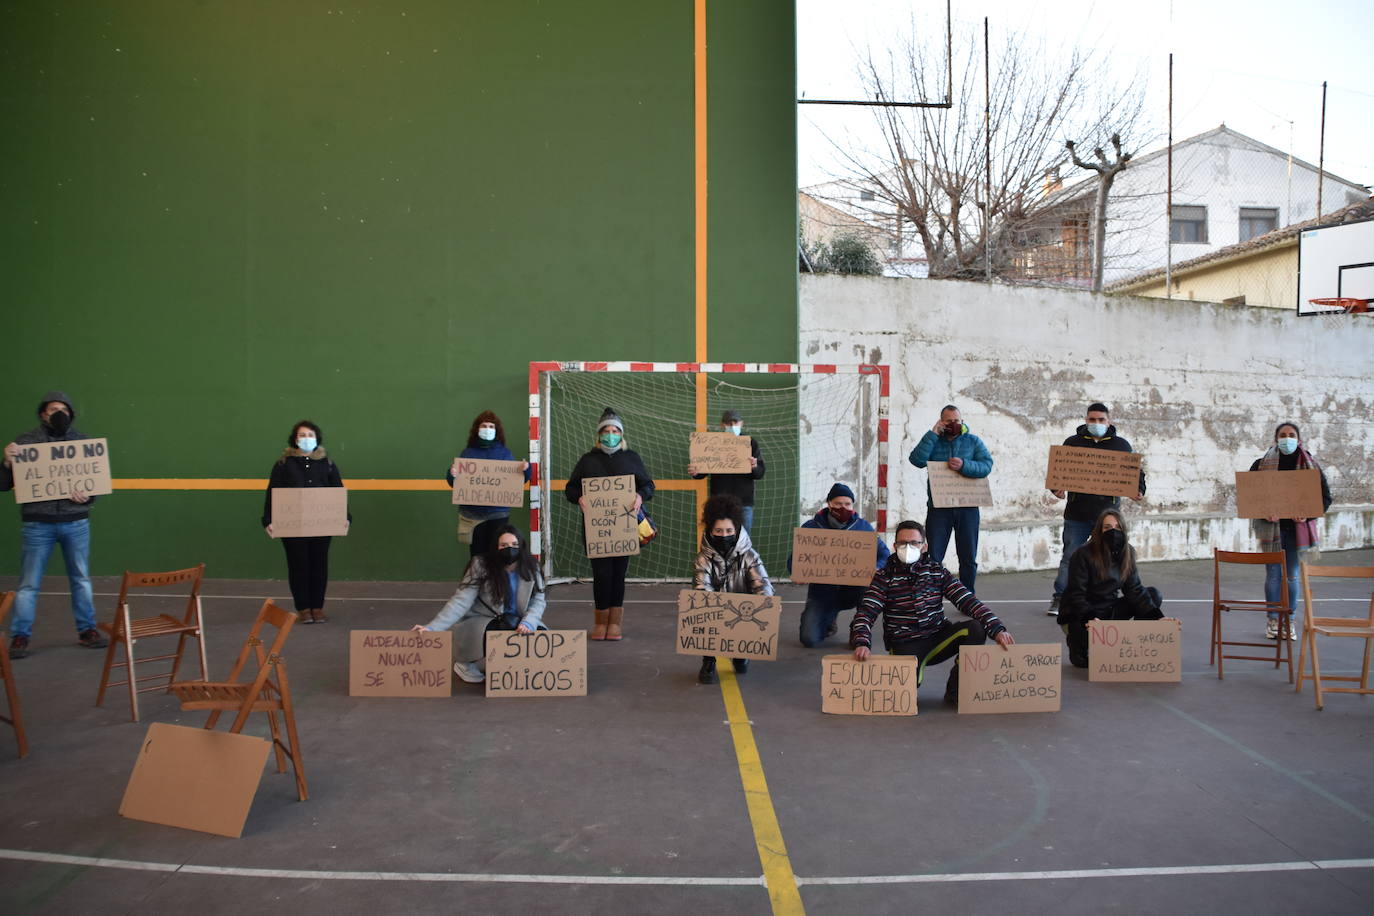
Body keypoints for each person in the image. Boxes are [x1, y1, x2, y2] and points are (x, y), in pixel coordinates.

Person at [850, 520, 1014, 705]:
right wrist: (861, 642)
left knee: (975, 629)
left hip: (938, 637)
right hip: (905, 643)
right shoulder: (883, 577)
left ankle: (956, 690)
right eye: (902, 543)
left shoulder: (937, 572)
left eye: (914, 543)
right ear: (894, 546)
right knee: (905, 698)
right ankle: (912, 675)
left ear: (924, 546)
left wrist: (997, 628)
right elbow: (866, 612)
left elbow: (967, 600)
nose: (908, 547)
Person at [1, 390, 108, 659]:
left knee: (81, 579)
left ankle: (87, 630)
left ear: (70, 413)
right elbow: (4, 485)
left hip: (76, 522)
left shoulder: (83, 442)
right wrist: (6, 462)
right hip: (38, 524)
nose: (58, 414)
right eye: (51, 409)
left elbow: (92, 485)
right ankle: (20, 636)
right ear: (42, 415)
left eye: (62, 409)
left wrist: (87, 495)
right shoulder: (25, 443)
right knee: (28, 584)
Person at [1046, 402, 1146, 616]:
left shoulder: (1121, 446)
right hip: (1077, 513)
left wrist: (1139, 489)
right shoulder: (1072, 443)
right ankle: (1060, 598)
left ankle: (1112, 597)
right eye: (1092, 419)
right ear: (1086, 420)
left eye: (1101, 420)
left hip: (1109, 515)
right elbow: (1060, 470)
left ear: (1108, 421)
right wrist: (1056, 489)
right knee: (1070, 556)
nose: (1097, 423)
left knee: (1115, 555)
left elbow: (1136, 473)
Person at [414, 524, 546, 683]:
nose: (509, 549)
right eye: (503, 545)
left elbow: (539, 600)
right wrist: (432, 628)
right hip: (485, 619)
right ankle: (464, 663)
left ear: (522, 546)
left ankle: (510, 663)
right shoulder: (480, 564)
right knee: (497, 628)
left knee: (541, 635)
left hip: (518, 619)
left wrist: (529, 622)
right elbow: (460, 601)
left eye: (514, 545)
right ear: (495, 547)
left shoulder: (533, 567)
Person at [565, 407, 654, 641]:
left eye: (615, 430)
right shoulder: (587, 460)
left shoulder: (631, 458)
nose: (611, 434)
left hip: (624, 528)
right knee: (601, 574)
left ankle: (615, 624)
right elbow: (570, 488)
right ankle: (600, 622)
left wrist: (639, 496)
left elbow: (648, 485)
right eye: (606, 430)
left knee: (618, 575)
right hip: (597, 529)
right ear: (599, 434)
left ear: (621, 434)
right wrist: (579, 497)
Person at [1249, 422, 1331, 640]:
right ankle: (1273, 621)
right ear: (1276, 439)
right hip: (1271, 530)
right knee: (1273, 575)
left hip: (1297, 531)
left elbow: (1325, 498)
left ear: (1299, 438)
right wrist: (1264, 512)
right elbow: (1250, 497)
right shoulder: (1260, 465)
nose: (1287, 438)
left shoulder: (1310, 465)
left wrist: (1307, 515)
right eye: (1283, 435)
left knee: (1292, 576)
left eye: (1291, 435)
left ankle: (1290, 620)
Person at [262, 420, 349, 624]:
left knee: (319, 565)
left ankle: (317, 608)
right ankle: (303, 608)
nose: (306, 439)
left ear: (317, 439)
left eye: (310, 435)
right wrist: (268, 520)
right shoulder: (283, 464)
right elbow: (272, 492)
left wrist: (345, 517)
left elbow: (337, 490)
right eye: (302, 435)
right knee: (298, 566)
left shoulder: (327, 463)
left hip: (322, 524)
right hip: (291, 525)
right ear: (295, 439)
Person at [1058, 509, 1164, 668]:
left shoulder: (1127, 552)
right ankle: (1077, 643)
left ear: (1123, 530)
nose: (1113, 532)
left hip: (1109, 609)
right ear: (1099, 530)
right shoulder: (1083, 554)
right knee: (1084, 663)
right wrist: (1089, 618)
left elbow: (1134, 590)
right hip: (1081, 613)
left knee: (1153, 595)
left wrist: (1158, 617)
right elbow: (1076, 595)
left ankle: (1132, 645)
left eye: (1117, 527)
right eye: (1107, 527)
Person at [790, 482, 890, 648]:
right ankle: (827, 619)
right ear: (829, 504)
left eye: (847, 504)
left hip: (854, 590)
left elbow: (884, 554)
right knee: (809, 639)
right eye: (838, 504)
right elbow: (794, 557)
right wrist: (796, 572)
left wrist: (877, 567)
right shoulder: (811, 527)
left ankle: (857, 629)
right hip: (823, 592)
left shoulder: (863, 527)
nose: (843, 508)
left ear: (852, 505)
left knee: (867, 592)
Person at [908, 404, 993, 593]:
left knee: (968, 557)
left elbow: (987, 465)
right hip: (939, 508)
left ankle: (968, 596)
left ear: (962, 422)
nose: (953, 424)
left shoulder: (973, 441)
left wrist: (965, 465)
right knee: (933, 556)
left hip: (968, 507)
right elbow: (916, 460)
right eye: (949, 421)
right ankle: (931, 596)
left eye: (956, 421)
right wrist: (932, 434)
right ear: (941, 422)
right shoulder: (934, 440)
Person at [692, 494, 773, 684]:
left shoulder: (749, 555)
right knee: (703, 617)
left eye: (729, 530)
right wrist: (696, 602)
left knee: (741, 655)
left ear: (736, 528)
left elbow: (762, 584)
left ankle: (741, 653)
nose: (724, 535)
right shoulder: (702, 559)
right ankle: (709, 660)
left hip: (743, 610)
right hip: (716, 613)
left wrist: (768, 602)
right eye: (718, 531)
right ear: (710, 530)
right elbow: (702, 587)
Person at [446, 410, 531, 560]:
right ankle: (479, 582)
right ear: (477, 429)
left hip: (498, 513)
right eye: (484, 425)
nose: (487, 429)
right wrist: (451, 474)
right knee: (477, 555)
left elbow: (515, 483)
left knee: (498, 553)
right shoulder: (468, 453)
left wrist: (526, 471)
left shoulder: (505, 454)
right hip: (473, 514)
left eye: (491, 426)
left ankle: (496, 582)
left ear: (496, 430)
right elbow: (456, 484)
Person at [687, 409, 765, 533]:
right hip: (719, 503)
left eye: (735, 422)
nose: (732, 426)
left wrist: (754, 466)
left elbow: (760, 473)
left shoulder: (750, 443)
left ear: (741, 423)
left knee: (743, 542)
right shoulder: (712, 443)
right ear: (722, 425)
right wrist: (696, 472)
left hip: (743, 503)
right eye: (729, 423)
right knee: (717, 539)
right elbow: (702, 470)